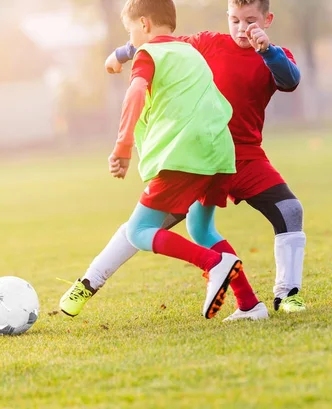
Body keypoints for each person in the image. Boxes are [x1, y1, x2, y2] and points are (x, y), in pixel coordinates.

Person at [60, 0, 245, 320]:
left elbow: (133, 94)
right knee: (199, 229)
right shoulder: (189, 51)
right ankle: (250, 304)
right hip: (217, 154)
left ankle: (214, 264)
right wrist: (117, 55)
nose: (130, 39)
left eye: (130, 30)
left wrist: (122, 147)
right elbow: (138, 49)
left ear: (144, 24)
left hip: (182, 157)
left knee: (139, 230)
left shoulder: (149, 54)